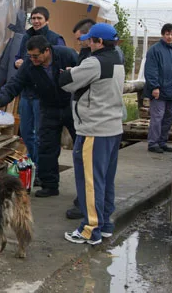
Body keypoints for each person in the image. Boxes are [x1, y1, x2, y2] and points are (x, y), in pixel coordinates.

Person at [58, 23, 125, 245]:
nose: (87, 43)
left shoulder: (94, 62)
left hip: (94, 130)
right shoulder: (117, 59)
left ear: (98, 42)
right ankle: (104, 224)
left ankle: (90, 229)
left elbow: (66, 83)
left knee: (90, 181)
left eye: (90, 40)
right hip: (113, 129)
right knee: (105, 179)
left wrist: (68, 73)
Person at [0, 36, 78, 197]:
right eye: (30, 56)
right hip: (48, 107)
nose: (32, 59)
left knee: (80, 146)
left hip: (71, 106)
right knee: (46, 147)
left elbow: (85, 72)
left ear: (47, 51)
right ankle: (49, 185)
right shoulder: (29, 65)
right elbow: (14, 84)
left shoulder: (66, 55)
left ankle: (84, 189)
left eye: (36, 56)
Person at [14, 7, 65, 181]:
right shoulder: (25, 37)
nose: (36, 21)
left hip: (43, 97)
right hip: (26, 93)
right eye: (33, 18)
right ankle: (35, 167)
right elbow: (17, 58)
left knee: (42, 136)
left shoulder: (55, 39)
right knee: (27, 134)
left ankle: (43, 172)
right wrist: (18, 63)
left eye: (39, 18)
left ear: (47, 20)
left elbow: (59, 64)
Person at [66, 18, 96, 220]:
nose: (78, 43)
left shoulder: (96, 60)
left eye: (80, 39)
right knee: (81, 160)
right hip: (83, 117)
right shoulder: (86, 55)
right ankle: (83, 200)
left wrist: (71, 76)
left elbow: (79, 84)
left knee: (86, 162)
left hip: (91, 120)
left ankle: (87, 206)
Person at [144, 23, 172, 153]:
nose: (170, 37)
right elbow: (151, 70)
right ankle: (153, 143)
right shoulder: (154, 50)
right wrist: (155, 87)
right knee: (157, 117)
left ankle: (162, 141)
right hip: (159, 92)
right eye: (167, 34)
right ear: (162, 34)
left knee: (168, 117)